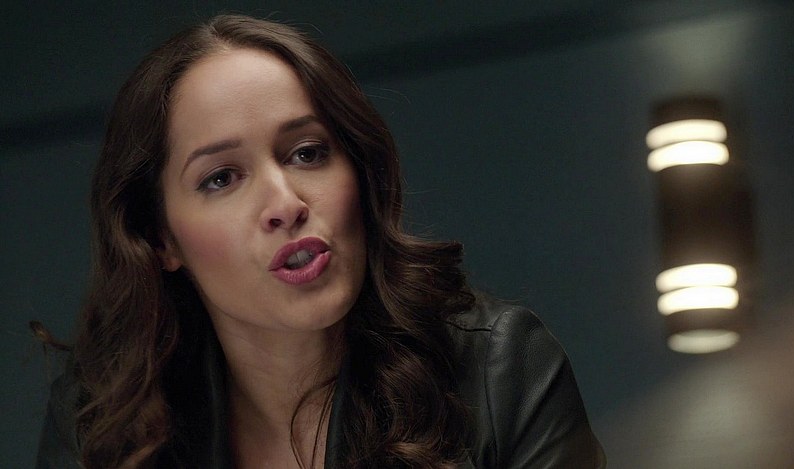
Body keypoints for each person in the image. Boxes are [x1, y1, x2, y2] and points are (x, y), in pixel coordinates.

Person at [35, 14, 605, 468]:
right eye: (222, 178)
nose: (285, 204)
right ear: (161, 240)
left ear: (359, 170)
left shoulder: (499, 370)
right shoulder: (98, 419)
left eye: (307, 153)